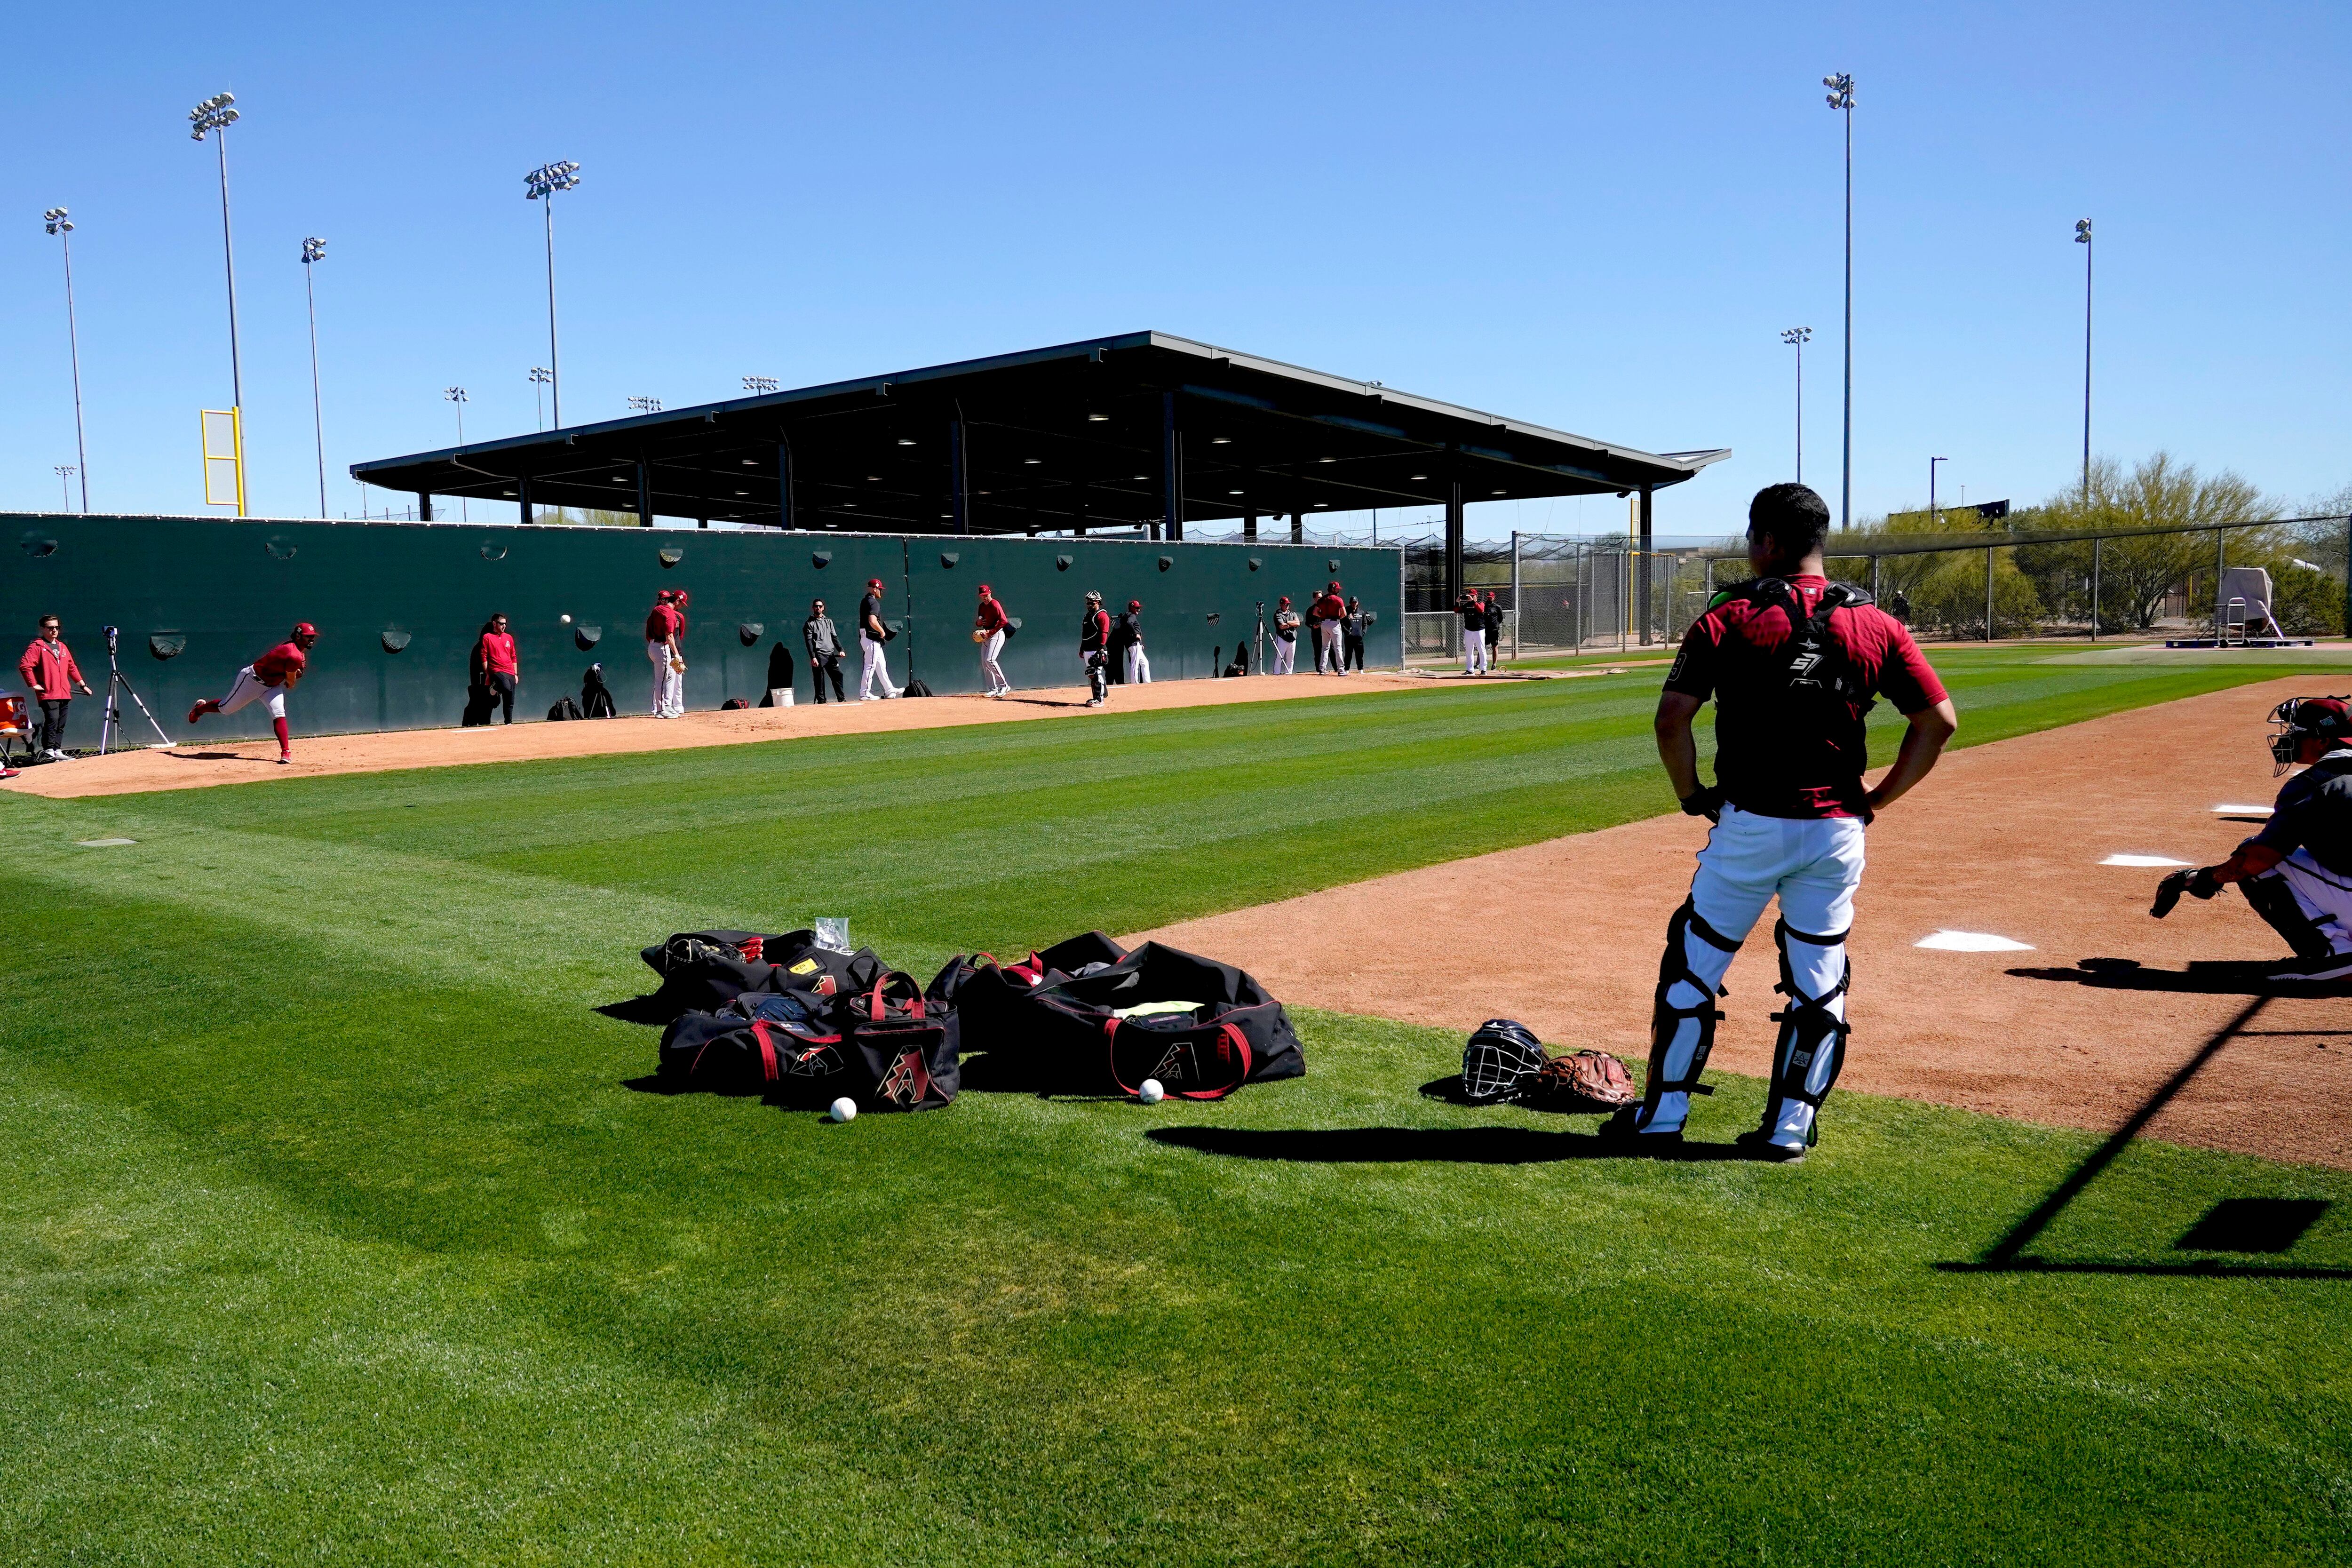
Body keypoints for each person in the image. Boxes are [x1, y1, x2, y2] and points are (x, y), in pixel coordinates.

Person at [1603, 482, 1957, 1162]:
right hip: (1836, 832)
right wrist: (1877, 798)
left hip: (1750, 824)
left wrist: (1690, 794)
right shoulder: (1877, 623)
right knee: (1819, 978)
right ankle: (1789, 1130)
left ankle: (1661, 1119)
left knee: (1693, 966)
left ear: (1766, 540)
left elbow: (1671, 719)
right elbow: (1939, 723)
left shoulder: (1728, 615)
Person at [2151, 696, 2352, 981]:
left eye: (2298, 732)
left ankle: (2334, 958)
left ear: (2322, 741)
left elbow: (2259, 859)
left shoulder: (2314, 783)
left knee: (2254, 859)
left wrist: (2203, 878)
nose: (2289, 738)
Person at [186, 621, 321, 765]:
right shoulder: (294, 654)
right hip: (252, 681)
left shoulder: (297, 651)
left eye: (313, 636)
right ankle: (200, 709)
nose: (312, 639)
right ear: (299, 637)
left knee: (279, 713)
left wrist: (294, 673)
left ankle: (286, 752)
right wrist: (294, 675)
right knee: (226, 709)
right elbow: (291, 683)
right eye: (308, 636)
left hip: (272, 686)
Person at [18, 614, 92, 762]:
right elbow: (25, 665)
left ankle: (57, 750)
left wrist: (82, 685)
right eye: (50, 628)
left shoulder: (62, 647)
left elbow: (72, 667)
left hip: (64, 692)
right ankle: (49, 751)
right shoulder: (37, 646)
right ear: (43, 629)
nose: (54, 631)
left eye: (57, 628)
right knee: (52, 720)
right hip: (48, 693)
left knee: (61, 723)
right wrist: (34, 684)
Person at [471, 613, 520, 724]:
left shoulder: (509, 638)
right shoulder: (487, 637)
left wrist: (515, 674)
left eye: (505, 624)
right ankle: (495, 688)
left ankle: (508, 722)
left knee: (510, 698)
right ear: (495, 624)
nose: (504, 627)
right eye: (501, 624)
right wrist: (488, 674)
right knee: (506, 687)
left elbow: (513, 656)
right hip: (496, 670)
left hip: (510, 671)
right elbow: (484, 656)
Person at [858, 578, 902, 700]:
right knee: (870, 666)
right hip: (872, 638)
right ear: (875, 589)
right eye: (879, 589)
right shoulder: (874, 603)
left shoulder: (865, 601)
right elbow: (872, 621)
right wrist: (882, 631)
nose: (880, 592)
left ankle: (889, 690)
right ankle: (865, 693)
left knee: (881, 666)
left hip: (868, 638)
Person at [645, 589, 685, 717]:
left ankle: (666, 707)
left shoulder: (657, 610)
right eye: (682, 603)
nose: (682, 606)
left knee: (667, 678)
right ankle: (661, 710)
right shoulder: (670, 614)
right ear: (677, 601)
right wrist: (677, 655)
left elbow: (649, 629)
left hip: (653, 646)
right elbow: (670, 636)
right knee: (662, 680)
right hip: (662, 647)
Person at [803, 599, 847, 704]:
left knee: (838, 675)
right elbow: (809, 642)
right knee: (820, 678)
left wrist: (841, 650)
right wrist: (813, 657)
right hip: (818, 654)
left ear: (823, 608)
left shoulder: (829, 622)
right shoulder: (809, 624)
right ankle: (822, 701)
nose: (818, 608)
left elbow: (834, 637)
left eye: (820, 606)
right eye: (816, 606)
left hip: (830, 654)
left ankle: (841, 698)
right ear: (813, 608)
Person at [975, 584, 1012, 697]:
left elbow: (1004, 621)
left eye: (986, 595)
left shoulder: (995, 604)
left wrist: (990, 632)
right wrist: (978, 624)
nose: (985, 597)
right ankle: (993, 689)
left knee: (990, 660)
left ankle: (1004, 686)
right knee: (985, 663)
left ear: (990, 593)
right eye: (983, 596)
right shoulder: (982, 607)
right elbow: (980, 621)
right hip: (986, 635)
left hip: (997, 635)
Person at [1080, 589, 1112, 707]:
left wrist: (1101, 649)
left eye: (1092, 603)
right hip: (1088, 649)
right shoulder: (1088, 616)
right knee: (1092, 674)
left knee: (1096, 673)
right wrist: (1082, 649)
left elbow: (1104, 632)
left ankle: (1100, 700)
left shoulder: (1102, 615)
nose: (1089, 605)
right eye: (1088, 603)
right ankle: (1100, 695)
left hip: (1097, 649)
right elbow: (1085, 635)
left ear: (1098, 602)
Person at [1311, 581, 1346, 675]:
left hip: (1324, 623)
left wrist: (1322, 616)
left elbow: (1315, 612)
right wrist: (1338, 617)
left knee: (1325, 647)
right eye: (1337, 589)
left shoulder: (1322, 599)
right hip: (1335, 623)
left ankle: (1322, 669)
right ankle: (1341, 670)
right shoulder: (1338, 599)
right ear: (1333, 589)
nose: (1338, 590)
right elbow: (1344, 613)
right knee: (1338, 647)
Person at [1119, 599, 1151, 685]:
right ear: (1132, 608)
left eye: (1139, 608)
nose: (1139, 610)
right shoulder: (1131, 616)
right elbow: (1129, 623)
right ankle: (1135, 683)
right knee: (1135, 664)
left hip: (1135, 644)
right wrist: (1135, 635)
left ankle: (1147, 682)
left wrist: (1140, 643)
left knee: (1145, 663)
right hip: (1134, 643)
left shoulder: (1127, 616)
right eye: (1137, 608)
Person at [1458, 590, 1488, 675]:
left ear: (1476, 596)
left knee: (1481, 649)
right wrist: (1458, 602)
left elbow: (1481, 610)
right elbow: (1457, 610)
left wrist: (1474, 601)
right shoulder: (1466, 606)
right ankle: (1470, 670)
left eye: (1472, 596)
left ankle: (1484, 670)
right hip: (1469, 630)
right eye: (1469, 596)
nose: (1470, 597)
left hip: (1479, 630)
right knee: (1469, 650)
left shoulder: (1481, 604)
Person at [1271, 596, 1302, 675]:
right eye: (1285, 604)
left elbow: (1298, 623)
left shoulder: (1293, 614)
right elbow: (1281, 626)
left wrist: (1288, 622)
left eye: (1288, 604)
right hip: (1282, 638)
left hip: (1293, 638)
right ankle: (1276, 673)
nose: (1287, 606)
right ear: (1281, 605)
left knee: (1291, 659)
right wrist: (1292, 624)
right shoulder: (1278, 615)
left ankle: (1289, 673)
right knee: (1280, 657)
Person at [1341, 597, 1368, 674]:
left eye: (1355, 602)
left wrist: (1363, 633)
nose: (1354, 604)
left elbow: (1365, 624)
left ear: (1358, 603)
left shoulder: (1361, 612)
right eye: (1353, 602)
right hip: (1349, 638)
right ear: (1350, 603)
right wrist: (1347, 633)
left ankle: (1361, 669)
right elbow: (1342, 623)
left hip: (1359, 637)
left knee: (1360, 654)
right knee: (1348, 654)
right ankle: (1347, 670)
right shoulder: (1346, 611)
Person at [1484, 590, 1508, 668]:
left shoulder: (1498, 607)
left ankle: (1494, 665)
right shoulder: (1484, 606)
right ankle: (1479, 664)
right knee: (1482, 647)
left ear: (1493, 598)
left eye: (1491, 598)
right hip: (1485, 630)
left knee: (1495, 647)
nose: (1489, 599)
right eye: (1488, 598)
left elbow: (1501, 619)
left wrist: (1496, 625)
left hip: (1494, 631)